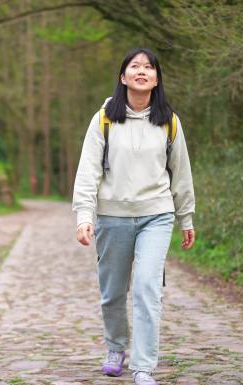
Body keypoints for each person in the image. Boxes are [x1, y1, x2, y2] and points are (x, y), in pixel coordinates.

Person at [72, 47, 196, 385]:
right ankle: (115, 347)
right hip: (112, 216)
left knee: (146, 288)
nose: (142, 71)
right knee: (113, 292)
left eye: (149, 67)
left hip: (156, 214)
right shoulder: (104, 119)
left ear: (156, 79)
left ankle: (143, 367)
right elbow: (88, 172)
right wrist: (85, 215)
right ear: (122, 77)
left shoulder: (169, 121)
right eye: (134, 66)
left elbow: (180, 173)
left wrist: (186, 217)